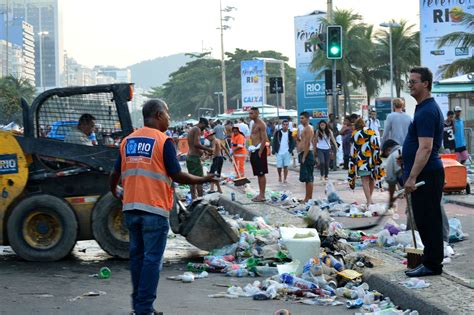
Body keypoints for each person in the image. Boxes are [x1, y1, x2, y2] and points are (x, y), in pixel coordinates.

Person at [109, 99, 216, 315]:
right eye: (167, 114)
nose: (168, 118)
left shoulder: (127, 141)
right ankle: (144, 309)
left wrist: (116, 191)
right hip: (154, 210)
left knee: (138, 258)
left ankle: (139, 307)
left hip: (130, 209)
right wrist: (204, 179)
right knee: (151, 261)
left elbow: (114, 174)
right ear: (158, 115)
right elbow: (177, 175)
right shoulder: (162, 141)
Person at [403, 67, 445, 277]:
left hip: (426, 175)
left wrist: (412, 176)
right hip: (424, 173)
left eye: (413, 81)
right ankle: (429, 261)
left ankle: (432, 265)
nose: (410, 85)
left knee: (429, 220)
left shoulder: (428, 110)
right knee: (425, 220)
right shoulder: (422, 108)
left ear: (426, 84)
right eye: (409, 81)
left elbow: (426, 147)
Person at [382, 139, 449, 243]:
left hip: (414, 182)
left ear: (388, 149)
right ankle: (444, 238)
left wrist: (391, 199)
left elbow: (391, 181)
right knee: (437, 206)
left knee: (412, 209)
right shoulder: (411, 148)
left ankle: (413, 239)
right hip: (431, 177)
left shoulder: (392, 157)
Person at [348, 118, 384, 205]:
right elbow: (377, 145)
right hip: (372, 159)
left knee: (364, 180)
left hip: (361, 160)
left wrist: (352, 162)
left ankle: (368, 200)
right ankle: (370, 199)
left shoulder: (355, 134)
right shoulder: (371, 132)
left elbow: (353, 149)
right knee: (372, 179)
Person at [186, 117, 213, 199]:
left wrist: (203, 152)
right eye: (204, 126)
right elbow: (196, 144)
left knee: (192, 180)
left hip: (190, 157)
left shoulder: (192, 129)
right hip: (194, 159)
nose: (204, 129)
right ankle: (201, 200)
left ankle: (194, 199)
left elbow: (194, 147)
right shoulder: (197, 129)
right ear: (202, 123)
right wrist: (208, 149)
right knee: (199, 181)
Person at [249, 107, 268, 202]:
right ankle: (260, 193)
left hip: (260, 150)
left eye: (252, 113)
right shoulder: (253, 124)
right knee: (257, 173)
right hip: (254, 149)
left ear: (257, 113)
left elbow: (264, 138)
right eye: (249, 113)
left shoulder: (261, 124)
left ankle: (262, 195)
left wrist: (260, 151)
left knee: (261, 173)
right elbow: (252, 137)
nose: (250, 115)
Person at [298, 111, 315, 202]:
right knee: (306, 178)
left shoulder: (308, 128)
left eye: (302, 118)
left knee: (309, 177)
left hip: (307, 154)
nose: (301, 120)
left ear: (307, 119)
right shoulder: (303, 128)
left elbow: (308, 143)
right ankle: (307, 197)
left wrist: (304, 156)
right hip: (303, 153)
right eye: (300, 118)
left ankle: (309, 198)